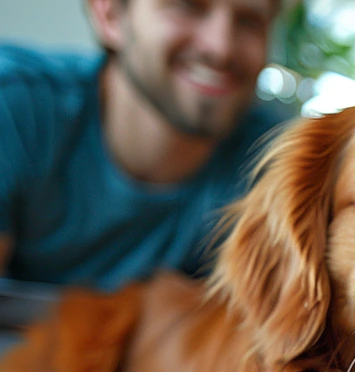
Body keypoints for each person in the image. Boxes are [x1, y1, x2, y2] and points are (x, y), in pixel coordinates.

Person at [0, 0, 291, 291]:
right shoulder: (15, 106)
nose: (221, 48)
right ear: (110, 15)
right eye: (188, 7)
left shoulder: (278, 164)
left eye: (249, 21)